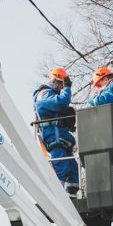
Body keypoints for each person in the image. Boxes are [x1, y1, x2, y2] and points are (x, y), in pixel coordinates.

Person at [33, 66, 79, 195]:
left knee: (72, 168)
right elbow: (60, 103)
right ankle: (58, 194)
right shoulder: (44, 94)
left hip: (62, 136)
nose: (62, 88)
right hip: (54, 136)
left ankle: (72, 192)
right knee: (61, 166)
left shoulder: (52, 96)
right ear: (55, 81)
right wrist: (67, 88)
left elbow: (61, 108)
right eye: (61, 85)